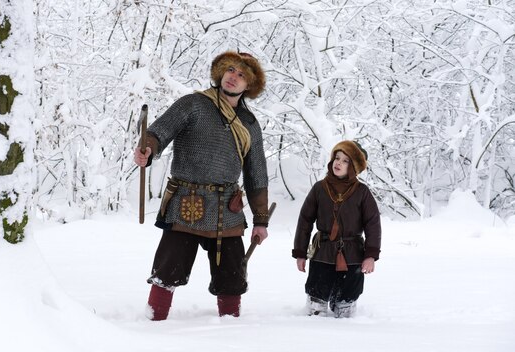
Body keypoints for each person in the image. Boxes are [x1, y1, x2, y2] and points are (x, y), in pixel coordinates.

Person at [133, 51, 270, 320]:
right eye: (230, 69)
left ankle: (231, 332)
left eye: (242, 74)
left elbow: (257, 175)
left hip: (227, 208)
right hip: (185, 202)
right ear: (221, 72)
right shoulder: (193, 104)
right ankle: (152, 327)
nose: (233, 76)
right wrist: (147, 149)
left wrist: (261, 220)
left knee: (232, 276)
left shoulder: (250, 125)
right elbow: (159, 132)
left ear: (249, 85)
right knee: (166, 272)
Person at [292, 140, 381, 318]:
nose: (338, 163)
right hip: (322, 254)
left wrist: (370, 255)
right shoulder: (319, 188)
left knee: (346, 308)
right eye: (337, 158)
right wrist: (301, 252)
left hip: (352, 256)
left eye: (345, 160)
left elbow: (373, 224)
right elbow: (305, 221)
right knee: (316, 306)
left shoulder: (362, 192)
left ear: (355, 167)